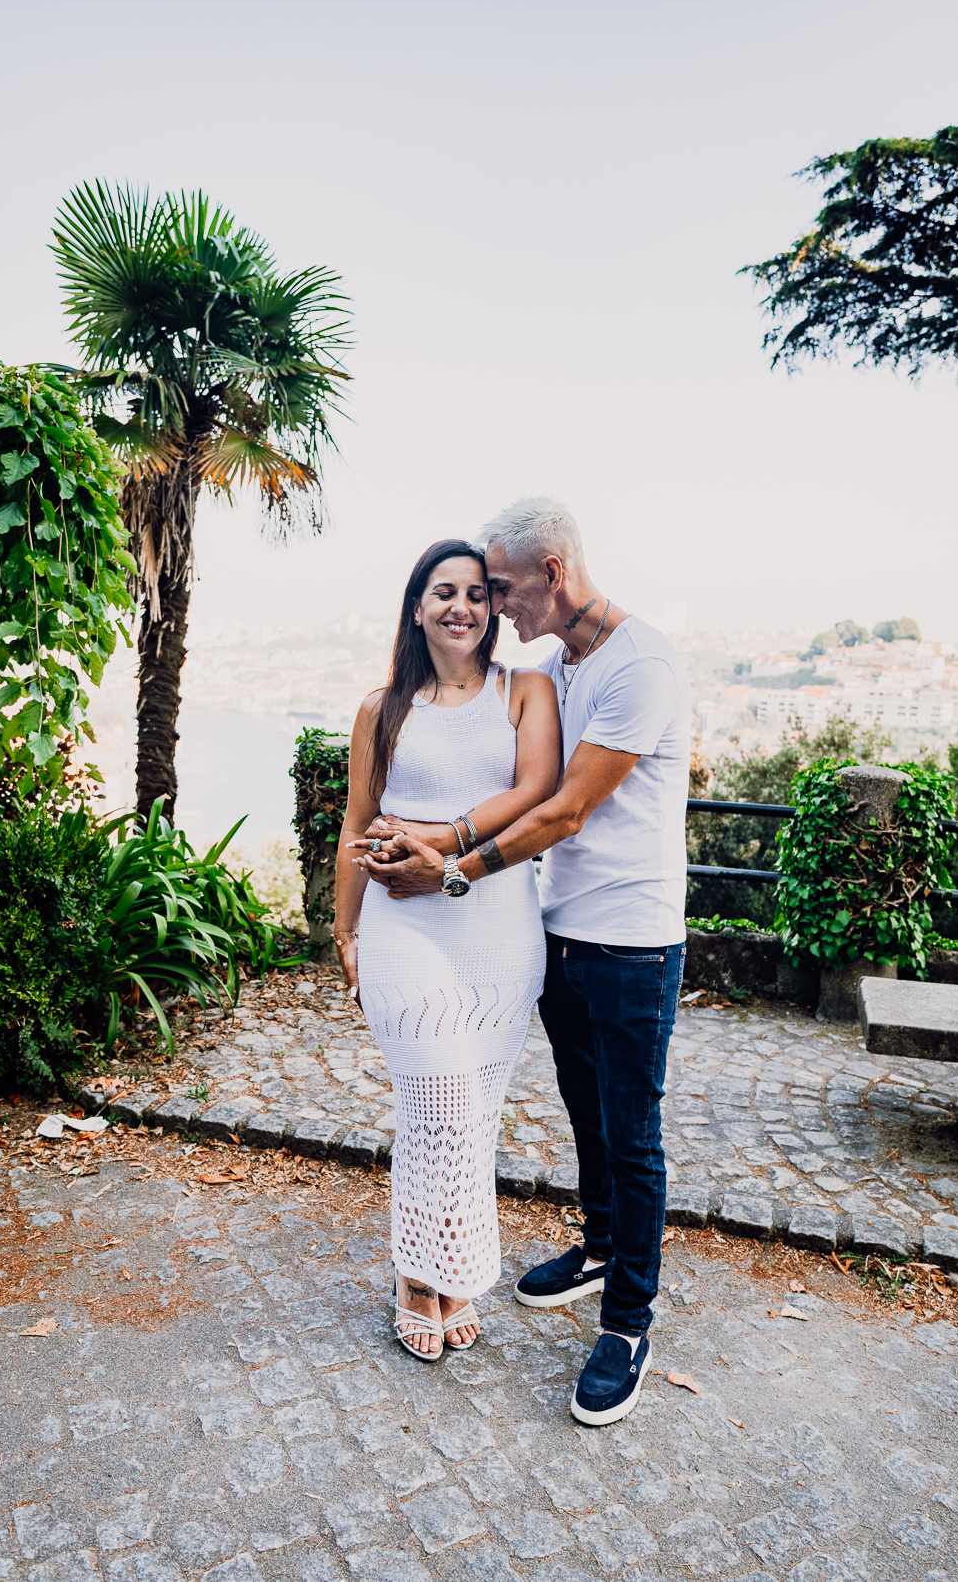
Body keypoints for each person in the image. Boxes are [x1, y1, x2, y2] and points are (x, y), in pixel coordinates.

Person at [362, 499, 690, 1425]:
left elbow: (560, 810)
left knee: (633, 1135)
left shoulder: (641, 665)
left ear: (551, 573)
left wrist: (449, 871)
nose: (492, 606)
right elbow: (490, 751)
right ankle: (595, 1251)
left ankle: (628, 1321)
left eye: (500, 586)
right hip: (556, 930)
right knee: (587, 1118)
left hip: (632, 937)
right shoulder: (552, 664)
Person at [334, 538, 562, 1361]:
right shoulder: (382, 706)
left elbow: (534, 791)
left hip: (499, 930)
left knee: (473, 1110)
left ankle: (441, 1265)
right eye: (443, 592)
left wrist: (441, 839)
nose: (461, 607)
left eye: (475, 592)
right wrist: (345, 930)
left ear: (493, 607)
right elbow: (357, 825)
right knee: (441, 1099)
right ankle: (423, 1272)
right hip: (403, 927)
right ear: (417, 607)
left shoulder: (524, 691)